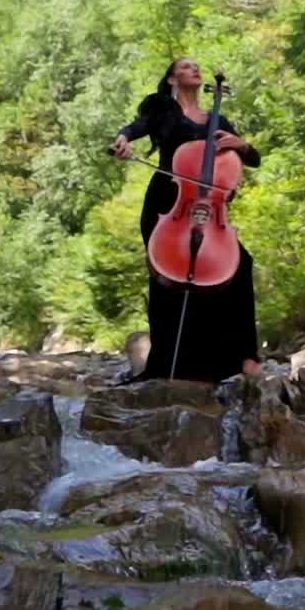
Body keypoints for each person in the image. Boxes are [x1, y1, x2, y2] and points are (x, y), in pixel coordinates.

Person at [111, 57, 262, 383]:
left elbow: (253, 160)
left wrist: (242, 144)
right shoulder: (163, 112)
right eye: (184, 66)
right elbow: (137, 127)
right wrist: (124, 139)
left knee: (239, 265)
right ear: (171, 80)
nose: (194, 68)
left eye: (196, 66)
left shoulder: (218, 120)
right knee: (168, 280)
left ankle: (240, 359)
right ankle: (165, 366)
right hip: (169, 202)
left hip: (210, 209)